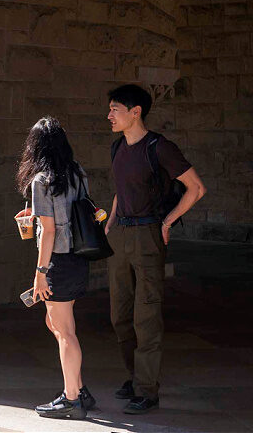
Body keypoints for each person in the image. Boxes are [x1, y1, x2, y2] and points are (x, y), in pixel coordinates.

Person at [105, 84, 207, 414]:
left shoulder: (159, 147)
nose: (109, 115)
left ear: (136, 112)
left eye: (115, 109)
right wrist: (111, 221)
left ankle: (147, 390)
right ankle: (136, 378)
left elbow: (196, 188)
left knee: (145, 315)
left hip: (149, 234)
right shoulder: (117, 148)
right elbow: (122, 189)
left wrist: (167, 222)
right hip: (120, 236)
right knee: (119, 315)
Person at [15, 117, 95, 420]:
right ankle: (79, 387)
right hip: (78, 256)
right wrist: (36, 215)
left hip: (57, 261)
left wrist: (41, 272)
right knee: (59, 326)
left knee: (64, 332)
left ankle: (72, 398)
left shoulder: (41, 181)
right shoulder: (77, 173)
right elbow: (71, 213)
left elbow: (49, 232)